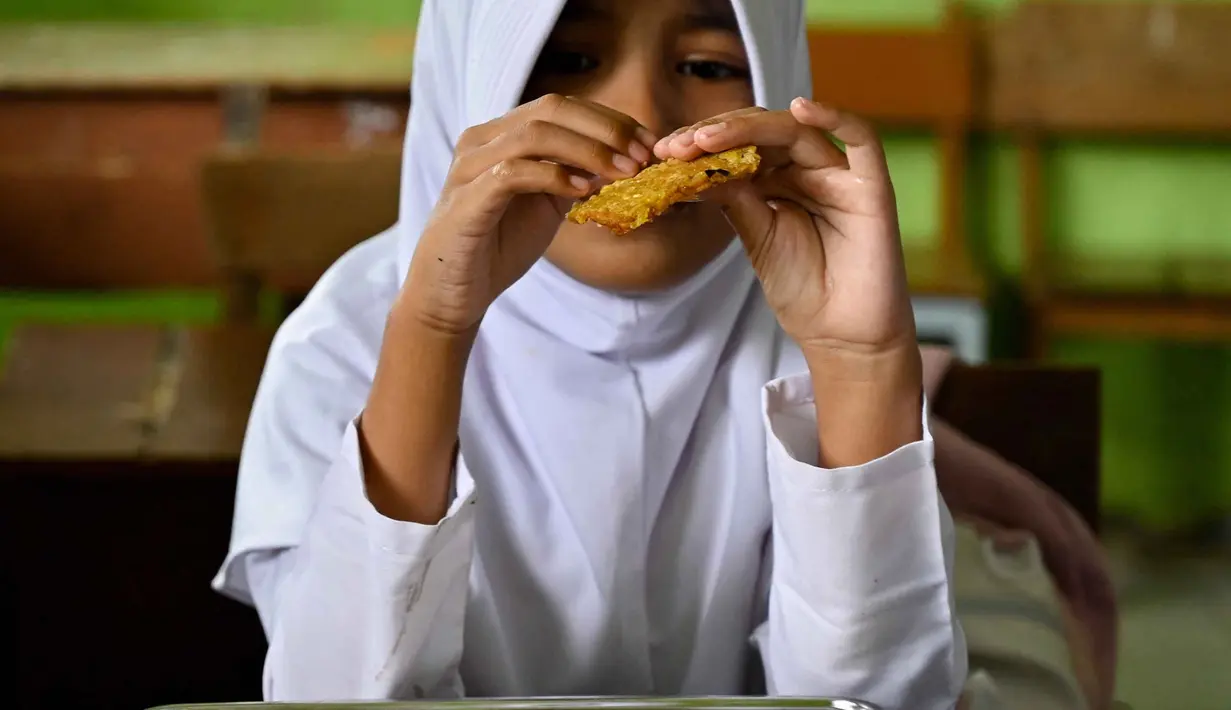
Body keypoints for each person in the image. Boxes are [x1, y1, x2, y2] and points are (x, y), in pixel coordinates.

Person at [214, 0, 970, 706]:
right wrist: (434, 332)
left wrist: (861, 365)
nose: (639, 114)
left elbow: (876, 696)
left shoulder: (812, 323)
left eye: (707, 67)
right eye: (572, 61)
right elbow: (334, 693)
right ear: (472, 78)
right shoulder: (344, 344)